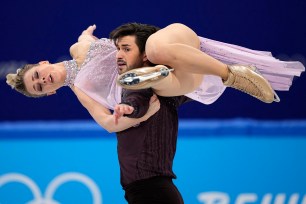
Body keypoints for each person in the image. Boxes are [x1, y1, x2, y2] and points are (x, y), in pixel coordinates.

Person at [6, 23, 305, 131]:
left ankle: (235, 76)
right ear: (49, 94)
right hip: (182, 81)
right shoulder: (82, 92)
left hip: (178, 52)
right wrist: (134, 114)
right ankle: (148, 76)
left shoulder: (78, 47)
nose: (42, 80)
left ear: (43, 63)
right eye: (39, 87)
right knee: (143, 81)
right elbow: (110, 124)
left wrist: (86, 37)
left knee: (155, 45)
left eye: (38, 76)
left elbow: (84, 42)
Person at [111, 23, 188, 204]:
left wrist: (128, 108)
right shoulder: (167, 93)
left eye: (126, 49)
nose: (119, 55)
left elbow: (137, 100)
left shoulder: (137, 85)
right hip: (154, 191)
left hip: (151, 191)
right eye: (118, 49)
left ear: (146, 54)